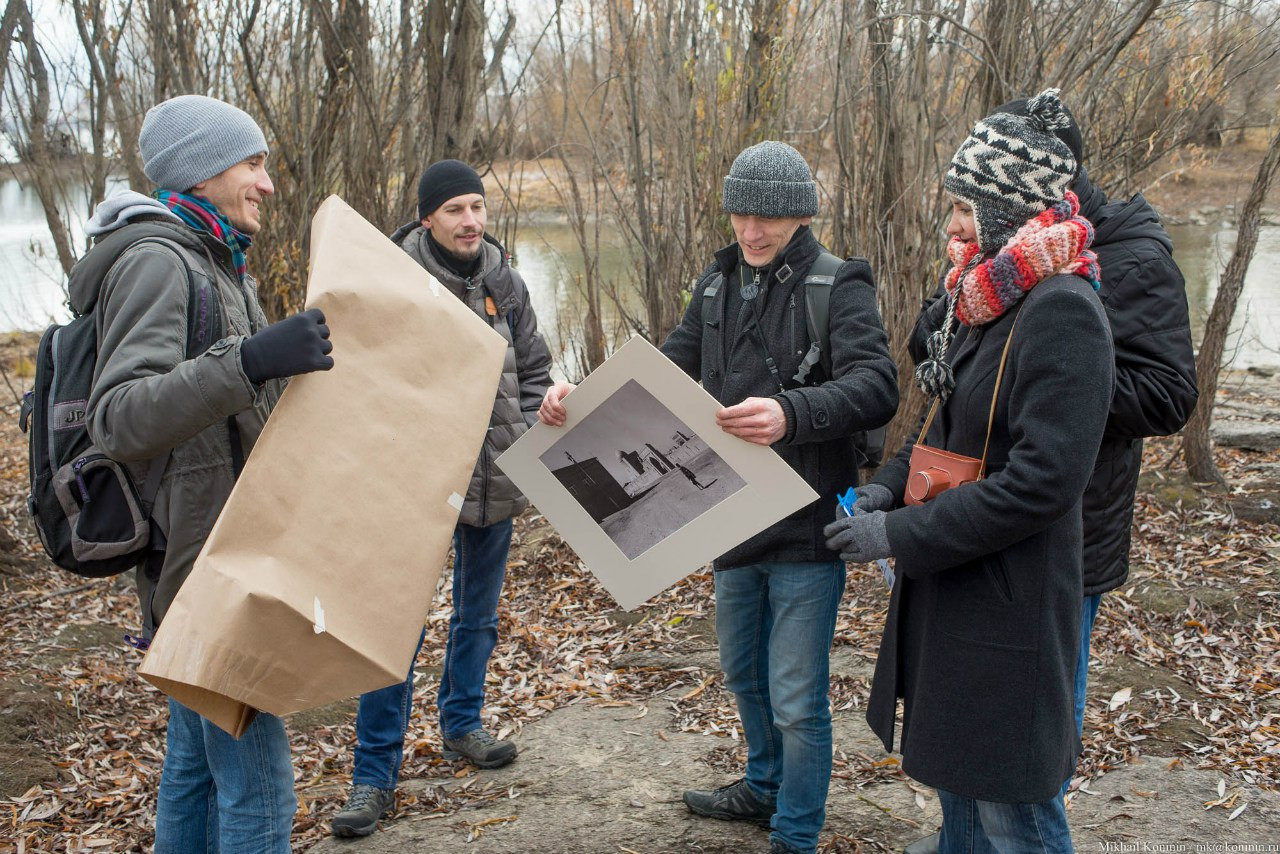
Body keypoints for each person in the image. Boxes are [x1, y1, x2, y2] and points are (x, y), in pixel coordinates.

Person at [540, 141, 898, 854]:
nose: (750, 230)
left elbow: (878, 385)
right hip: (729, 525)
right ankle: (762, 788)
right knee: (742, 673)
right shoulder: (714, 284)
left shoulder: (839, 284)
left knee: (797, 695)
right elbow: (664, 371)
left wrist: (790, 413)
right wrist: (580, 402)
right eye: (740, 213)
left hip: (805, 528)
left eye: (767, 217)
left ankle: (795, 833)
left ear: (800, 214)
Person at [899, 93, 1200, 854]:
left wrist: (1059, 388)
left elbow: (1168, 395)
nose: (955, 225)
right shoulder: (999, 272)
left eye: (970, 203)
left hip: (1069, 522)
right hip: (978, 509)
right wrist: (964, 336)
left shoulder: (1124, 261)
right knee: (973, 730)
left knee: (1025, 749)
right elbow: (941, 353)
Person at [825, 90, 1115, 854]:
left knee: (1012, 814)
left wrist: (898, 530)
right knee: (960, 797)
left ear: (1010, 208)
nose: (952, 227)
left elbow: (1041, 484)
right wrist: (888, 482)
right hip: (957, 592)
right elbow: (947, 427)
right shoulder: (982, 302)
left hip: (1009, 606)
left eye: (964, 207)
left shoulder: (1063, 311)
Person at [82, 94, 335, 853]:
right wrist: (251, 361)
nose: (267, 182)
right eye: (252, 164)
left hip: (209, 557)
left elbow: (217, 415)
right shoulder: (160, 262)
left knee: (193, 772)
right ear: (201, 173)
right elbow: (119, 417)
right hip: (206, 573)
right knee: (259, 788)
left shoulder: (215, 259)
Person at [331, 159, 552, 838]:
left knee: (478, 618)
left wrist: (534, 432)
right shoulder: (393, 281)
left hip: (495, 478)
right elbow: (362, 382)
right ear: (427, 217)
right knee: (395, 627)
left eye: (477, 208)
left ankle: (462, 725)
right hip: (415, 487)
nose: (471, 221)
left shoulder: (503, 278)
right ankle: (373, 776)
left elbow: (536, 367)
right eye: (455, 209)